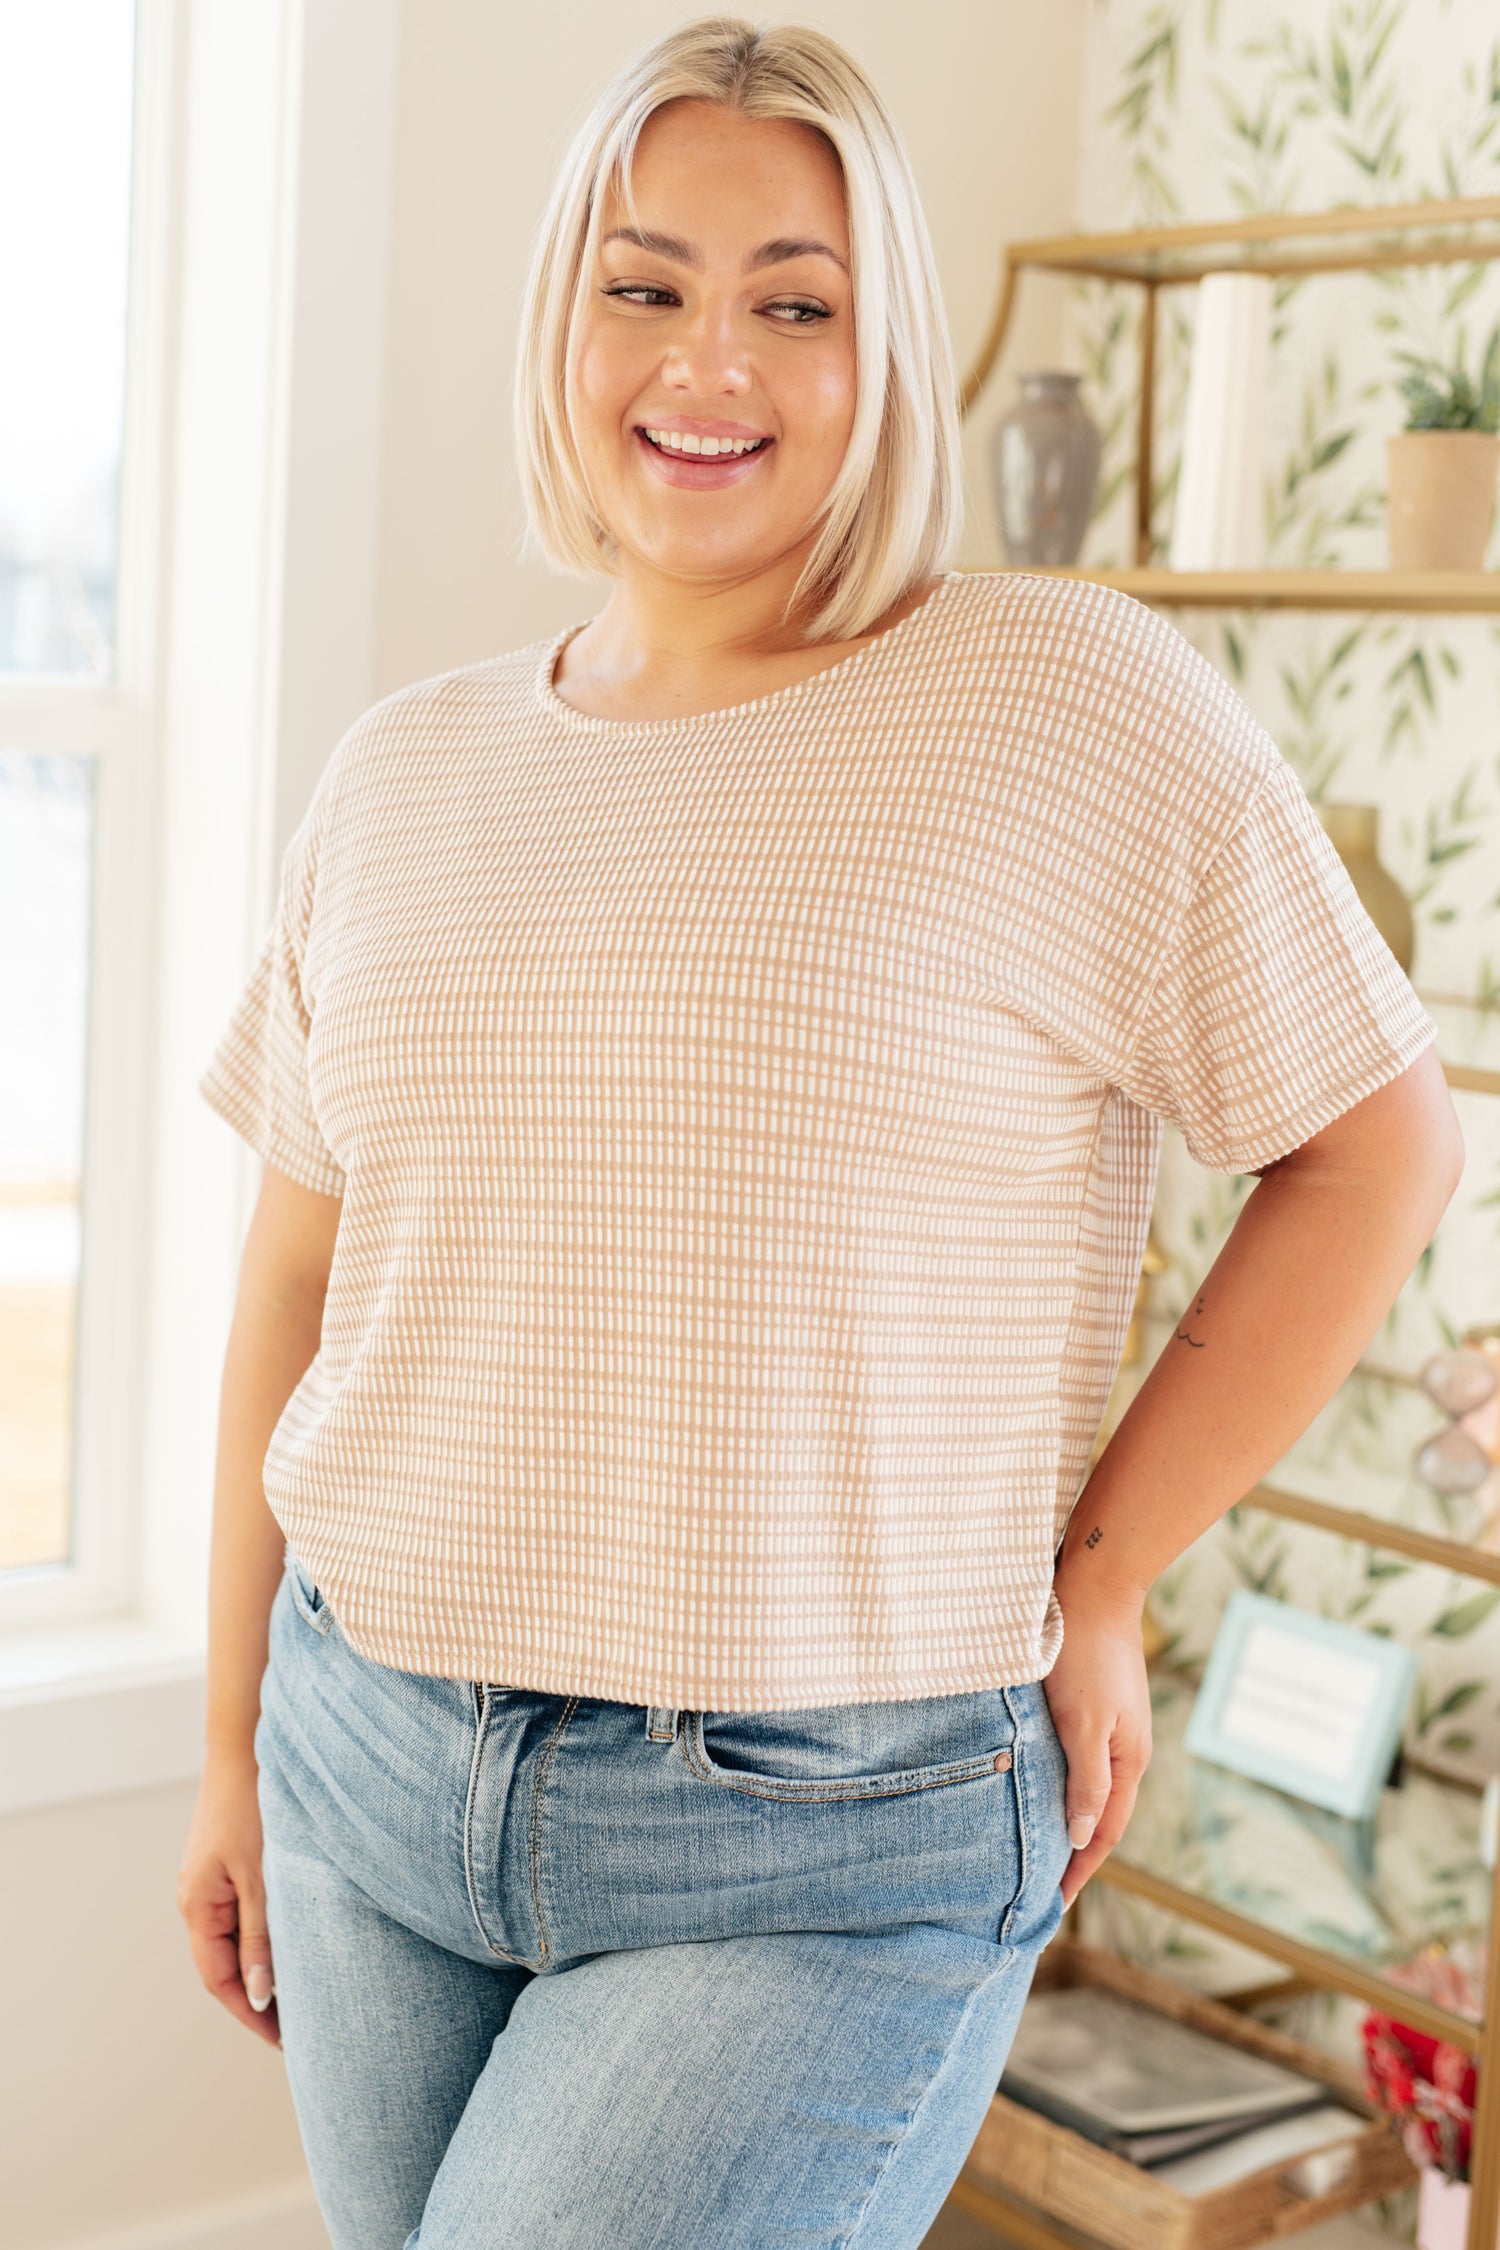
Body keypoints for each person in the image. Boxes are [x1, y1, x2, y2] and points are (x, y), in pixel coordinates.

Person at [176, 17, 1464, 2249]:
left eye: (800, 298)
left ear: (895, 351)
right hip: (364, 1762)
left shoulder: (1064, 698)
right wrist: (224, 1748)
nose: (713, 360)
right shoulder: (401, 772)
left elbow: (1376, 1150)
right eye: (646, 281)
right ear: (564, 318)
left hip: (823, 1833)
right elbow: (299, 1279)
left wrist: (1106, 1566)